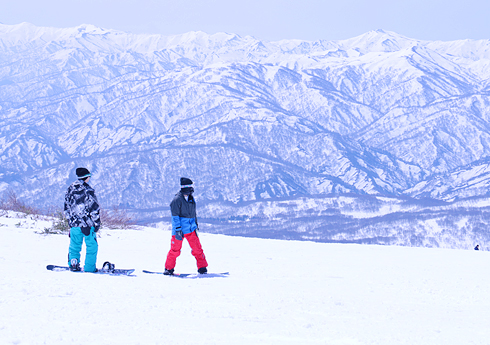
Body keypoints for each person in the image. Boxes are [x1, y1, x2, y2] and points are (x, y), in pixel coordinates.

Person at [164, 177, 208, 275]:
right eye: (191, 187)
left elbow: (193, 214)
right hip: (179, 230)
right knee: (175, 250)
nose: (192, 189)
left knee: (197, 249)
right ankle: (168, 269)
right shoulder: (177, 200)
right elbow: (175, 217)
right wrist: (178, 229)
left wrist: (195, 225)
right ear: (186, 188)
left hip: (190, 229)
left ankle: (202, 268)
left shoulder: (191, 199)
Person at [64, 167, 101, 272]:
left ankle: (73, 264)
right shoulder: (88, 190)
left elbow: (66, 207)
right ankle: (89, 268)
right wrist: (96, 223)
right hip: (87, 224)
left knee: (74, 245)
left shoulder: (70, 189)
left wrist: (70, 222)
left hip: (74, 223)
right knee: (92, 246)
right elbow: (94, 208)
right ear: (86, 177)